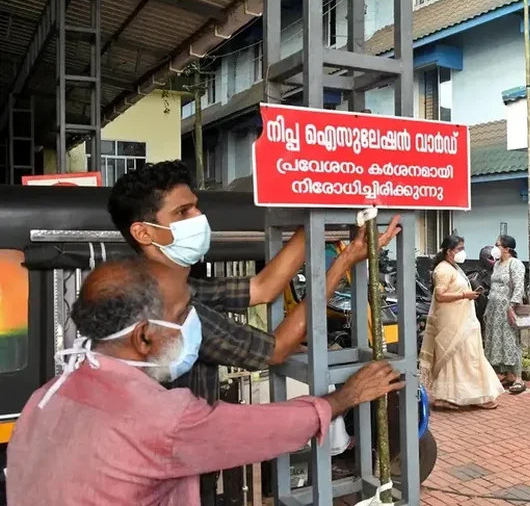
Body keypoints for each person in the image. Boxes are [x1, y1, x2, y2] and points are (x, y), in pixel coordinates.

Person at [107, 160, 400, 501]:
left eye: (196, 207)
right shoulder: (172, 313)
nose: (199, 219)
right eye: (184, 212)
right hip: (165, 481)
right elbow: (276, 348)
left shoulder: (179, 286)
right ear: (143, 232)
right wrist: (346, 261)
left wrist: (315, 216)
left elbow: (262, 287)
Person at [5, 258, 404, 505]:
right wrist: (344, 398)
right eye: (183, 315)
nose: (192, 323)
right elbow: (261, 429)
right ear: (144, 335)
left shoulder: (48, 394)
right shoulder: (159, 417)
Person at [419, 236, 504, 411]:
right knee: (458, 358)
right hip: (452, 323)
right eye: (459, 249)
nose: (462, 252)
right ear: (449, 251)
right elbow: (440, 295)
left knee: (470, 357)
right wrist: (465, 295)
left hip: (465, 320)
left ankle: (475, 395)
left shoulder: (453, 267)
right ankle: (447, 397)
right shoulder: (443, 270)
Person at [483, 235, 527, 395]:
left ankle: (518, 378)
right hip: (494, 309)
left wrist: (511, 306)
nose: (495, 248)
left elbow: (518, 287)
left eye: (498, 245)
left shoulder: (515, 264)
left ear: (507, 248)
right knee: (497, 341)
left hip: (507, 309)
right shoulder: (497, 265)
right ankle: (507, 374)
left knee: (510, 341)